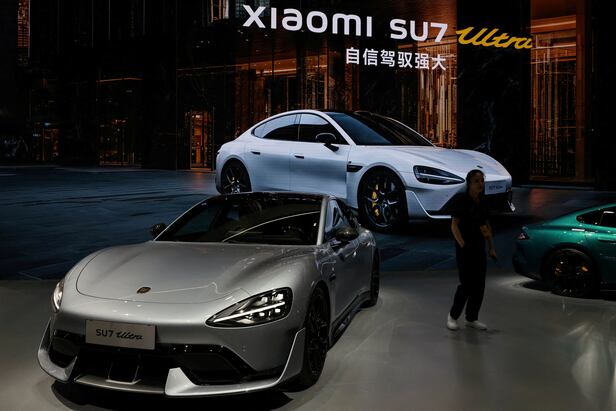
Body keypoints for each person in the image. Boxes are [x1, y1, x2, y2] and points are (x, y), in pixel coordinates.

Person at [446, 169, 497, 331]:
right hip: (465, 249)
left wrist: (491, 247)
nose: (480, 184)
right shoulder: (461, 201)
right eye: (476, 181)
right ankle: (453, 316)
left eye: (482, 180)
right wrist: (462, 244)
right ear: (469, 183)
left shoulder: (483, 201)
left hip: (479, 247)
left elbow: (486, 225)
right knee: (466, 284)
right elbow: (454, 225)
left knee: (479, 285)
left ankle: (471, 318)